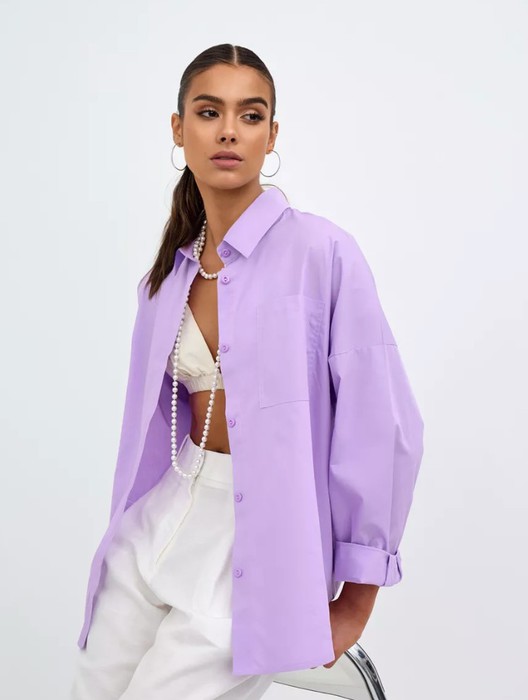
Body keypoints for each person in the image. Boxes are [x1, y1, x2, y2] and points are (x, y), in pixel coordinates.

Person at [70, 43, 425, 700]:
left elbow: (385, 428)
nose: (229, 130)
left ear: (272, 135)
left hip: (257, 547)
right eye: (209, 112)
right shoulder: (165, 277)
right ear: (178, 129)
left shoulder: (322, 253)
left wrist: (356, 600)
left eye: (250, 115)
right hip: (156, 524)